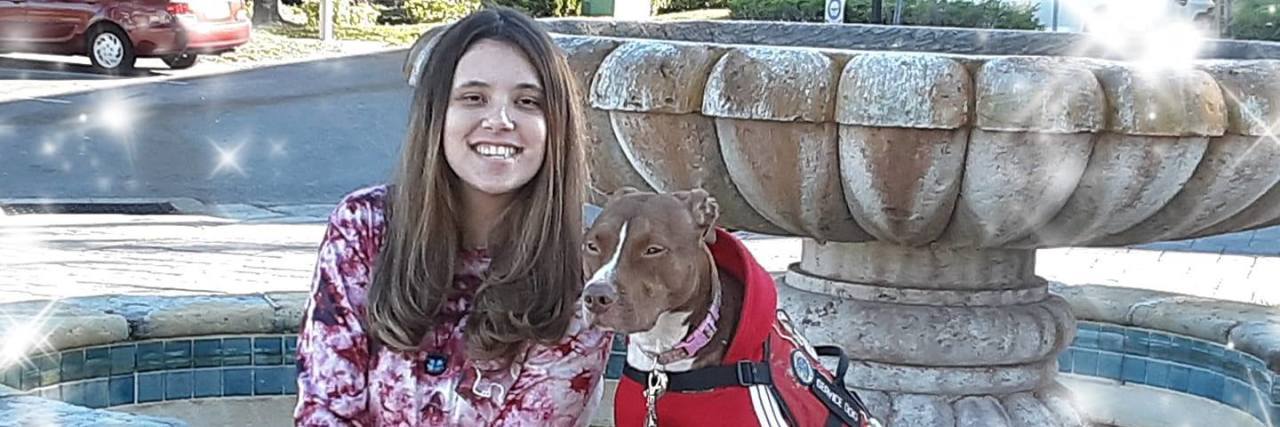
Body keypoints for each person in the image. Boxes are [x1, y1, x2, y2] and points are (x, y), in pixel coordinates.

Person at [293, 7, 612, 426]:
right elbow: (326, 408)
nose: (499, 120)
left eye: (527, 102)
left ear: (556, 127)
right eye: (473, 97)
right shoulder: (364, 228)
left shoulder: (581, 281)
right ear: (436, 114)